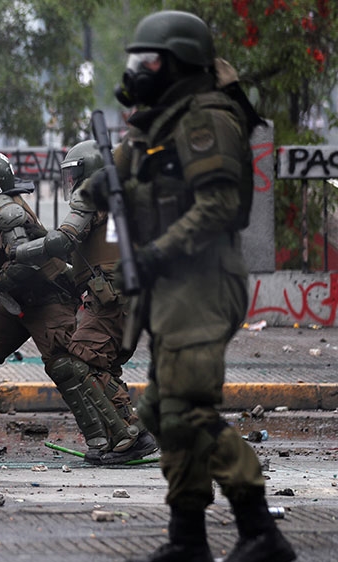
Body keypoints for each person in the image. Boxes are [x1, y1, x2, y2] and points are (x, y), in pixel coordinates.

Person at [93, 11, 295, 562]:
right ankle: (188, 539)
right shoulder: (162, 120)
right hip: (172, 287)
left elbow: (219, 205)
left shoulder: (206, 117)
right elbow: (131, 182)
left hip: (201, 284)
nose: (138, 71)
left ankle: (261, 532)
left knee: (187, 412)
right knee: (163, 413)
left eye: (148, 61)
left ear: (178, 63)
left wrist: (155, 254)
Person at [0, 150, 138, 461]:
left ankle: (111, 434)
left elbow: (26, 263)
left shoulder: (8, 213)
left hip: (47, 297)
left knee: (70, 364)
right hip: (14, 301)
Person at [10, 140, 158, 464]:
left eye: (73, 174)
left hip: (110, 299)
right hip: (133, 298)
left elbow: (63, 240)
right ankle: (125, 434)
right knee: (104, 365)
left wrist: (21, 251)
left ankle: (130, 435)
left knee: (81, 359)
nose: (72, 182)